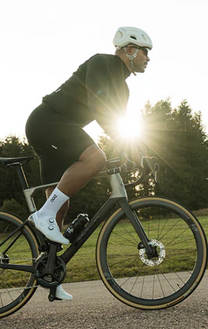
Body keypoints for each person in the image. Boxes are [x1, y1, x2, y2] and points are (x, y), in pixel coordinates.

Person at [24, 27, 152, 300]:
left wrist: (138, 155)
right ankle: (43, 215)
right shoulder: (100, 62)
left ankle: (50, 275)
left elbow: (121, 124)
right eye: (145, 51)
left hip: (59, 129)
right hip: (48, 121)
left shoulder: (124, 88)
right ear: (129, 50)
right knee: (95, 158)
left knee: (60, 206)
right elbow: (98, 105)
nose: (148, 58)